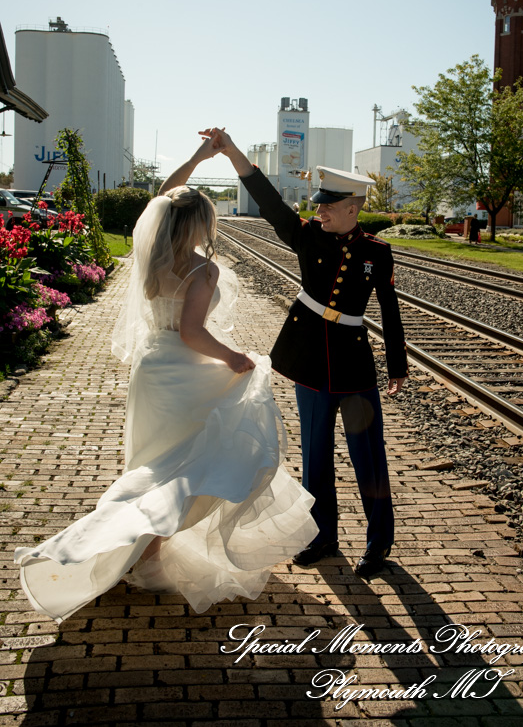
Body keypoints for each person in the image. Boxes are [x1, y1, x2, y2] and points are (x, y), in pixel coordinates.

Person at [14, 136, 317, 622]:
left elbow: (164, 195)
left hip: (152, 371)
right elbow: (192, 333)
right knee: (183, 472)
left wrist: (197, 159)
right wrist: (235, 357)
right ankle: (143, 555)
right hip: (185, 376)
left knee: (154, 467)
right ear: (199, 225)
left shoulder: (152, 252)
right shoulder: (202, 269)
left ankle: (139, 551)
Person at [211, 129, 408, 579]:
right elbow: (269, 202)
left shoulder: (377, 252)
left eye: (328, 206)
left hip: (354, 369)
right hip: (311, 364)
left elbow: (390, 311)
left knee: (368, 457)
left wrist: (397, 366)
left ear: (353, 208)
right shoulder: (308, 238)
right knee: (315, 457)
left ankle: (379, 542)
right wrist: (233, 152)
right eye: (319, 204)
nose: (319, 211)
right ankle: (321, 537)